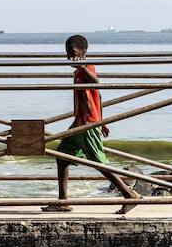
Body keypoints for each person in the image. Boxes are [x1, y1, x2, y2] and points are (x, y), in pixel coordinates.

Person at [43, 34, 139, 214]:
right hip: (78, 123)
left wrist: (83, 67)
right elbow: (98, 97)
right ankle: (62, 202)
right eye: (67, 53)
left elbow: (97, 84)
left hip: (87, 124)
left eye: (73, 52)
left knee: (98, 162)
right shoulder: (79, 71)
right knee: (62, 157)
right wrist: (102, 121)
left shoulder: (87, 68)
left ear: (84, 52)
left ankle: (129, 194)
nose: (70, 57)